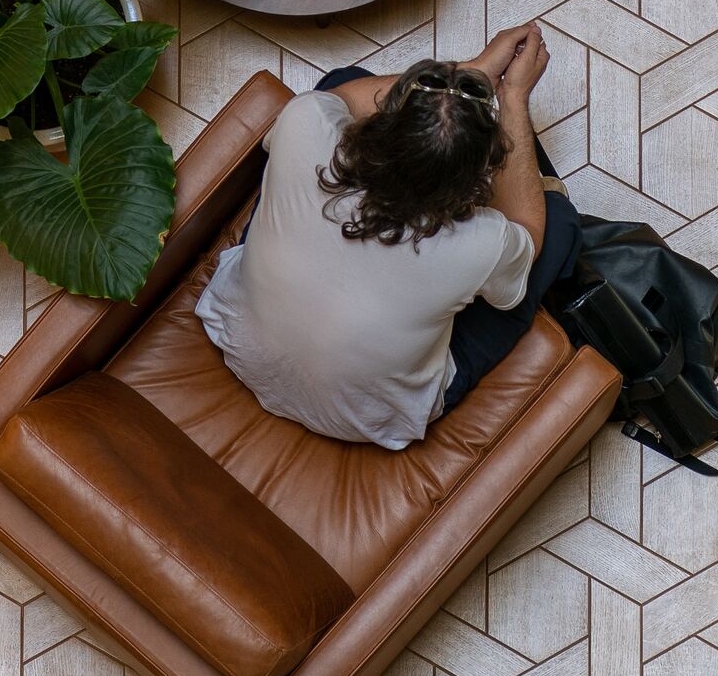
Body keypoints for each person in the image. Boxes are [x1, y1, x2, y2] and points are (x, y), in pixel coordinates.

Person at [197, 24, 580, 451]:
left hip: (238, 339)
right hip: (369, 417)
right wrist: (512, 98)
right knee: (559, 225)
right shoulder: (480, 243)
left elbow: (344, 100)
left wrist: (471, 71)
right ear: (476, 181)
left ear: (387, 121)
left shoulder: (304, 121)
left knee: (339, 83)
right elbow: (529, 230)